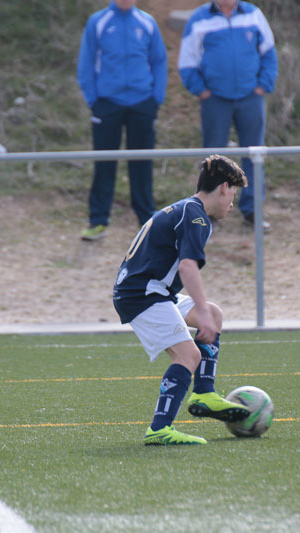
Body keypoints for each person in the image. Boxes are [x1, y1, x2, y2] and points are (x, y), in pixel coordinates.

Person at [113, 155, 251, 445]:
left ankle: (204, 394)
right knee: (189, 355)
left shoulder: (188, 209)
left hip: (152, 290)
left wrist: (205, 313)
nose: (232, 204)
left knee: (214, 313)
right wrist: (200, 313)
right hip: (142, 294)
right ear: (224, 188)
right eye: (234, 195)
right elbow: (188, 267)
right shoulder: (195, 215)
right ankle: (159, 429)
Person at [178, 0, 278, 231]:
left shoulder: (253, 14)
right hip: (215, 100)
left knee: (254, 155)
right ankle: (209, 214)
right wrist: (202, 91)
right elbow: (187, 60)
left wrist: (263, 85)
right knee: (213, 160)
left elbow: (269, 53)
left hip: (251, 98)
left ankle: (253, 210)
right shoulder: (199, 19)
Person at [76, 0, 167, 241]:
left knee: (142, 164)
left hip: (142, 103)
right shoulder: (98, 22)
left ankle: (147, 223)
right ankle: (98, 222)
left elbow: (159, 60)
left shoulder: (147, 22)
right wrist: (94, 100)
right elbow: (86, 63)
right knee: (104, 163)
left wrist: (156, 98)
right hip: (107, 103)